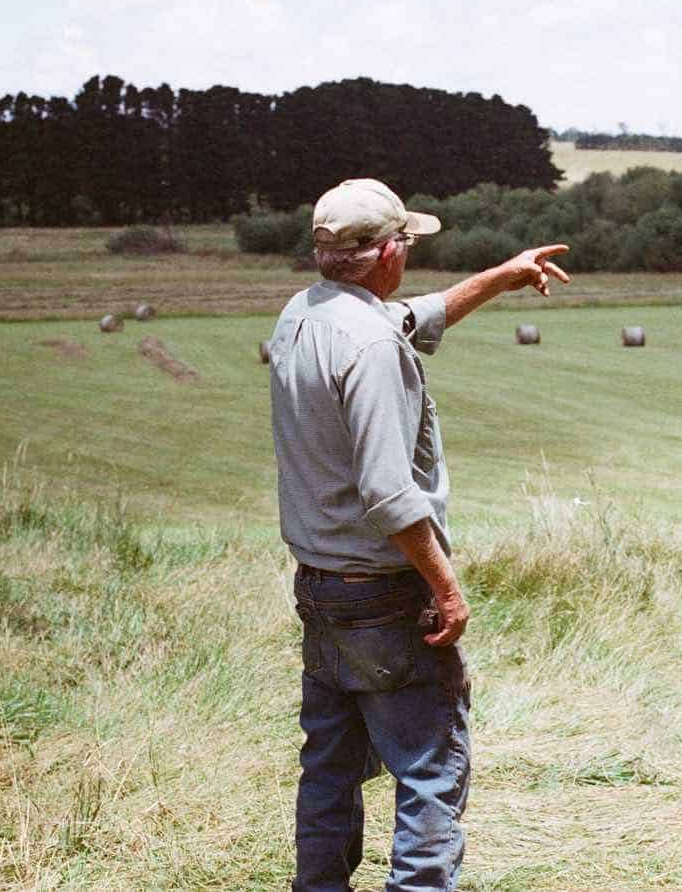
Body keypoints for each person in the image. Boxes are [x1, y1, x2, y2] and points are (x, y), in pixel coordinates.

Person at [269, 178, 569, 891]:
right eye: (405, 240)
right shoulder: (371, 345)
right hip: (383, 595)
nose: (409, 251)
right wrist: (446, 585)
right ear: (385, 253)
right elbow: (389, 493)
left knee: (329, 771)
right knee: (431, 773)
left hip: (320, 587)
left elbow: (415, 316)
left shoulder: (304, 315)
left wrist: (502, 277)